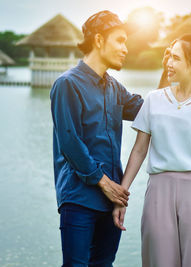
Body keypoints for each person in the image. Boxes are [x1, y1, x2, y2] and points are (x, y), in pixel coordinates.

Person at [113, 34, 191, 267]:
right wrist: (121, 196)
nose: (168, 63)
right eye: (169, 56)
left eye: (176, 58)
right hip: (158, 191)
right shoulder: (153, 100)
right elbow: (139, 151)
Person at [50, 10, 143, 267]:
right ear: (100, 40)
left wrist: (174, 74)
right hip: (79, 198)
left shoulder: (114, 87)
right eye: (120, 40)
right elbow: (70, 142)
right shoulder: (67, 84)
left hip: (112, 201)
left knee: (103, 265)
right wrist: (104, 182)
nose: (125, 49)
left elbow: (148, 111)